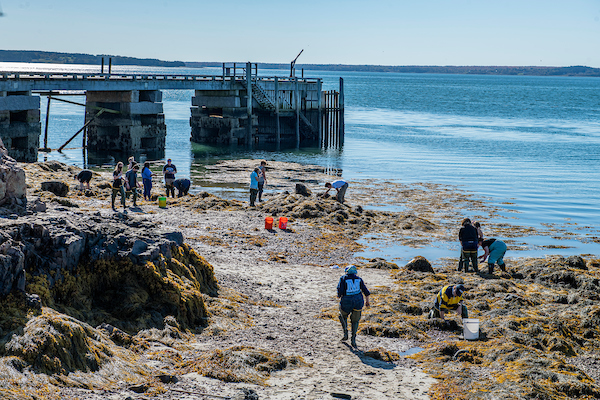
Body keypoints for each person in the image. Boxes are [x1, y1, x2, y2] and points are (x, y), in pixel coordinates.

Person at [337, 265, 370, 348]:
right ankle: (353, 339)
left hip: (347, 301)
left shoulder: (343, 278)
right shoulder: (359, 279)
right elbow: (366, 292)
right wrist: (367, 302)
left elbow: (340, 291)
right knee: (355, 321)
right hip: (358, 301)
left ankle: (345, 332)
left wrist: (339, 296)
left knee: (342, 315)